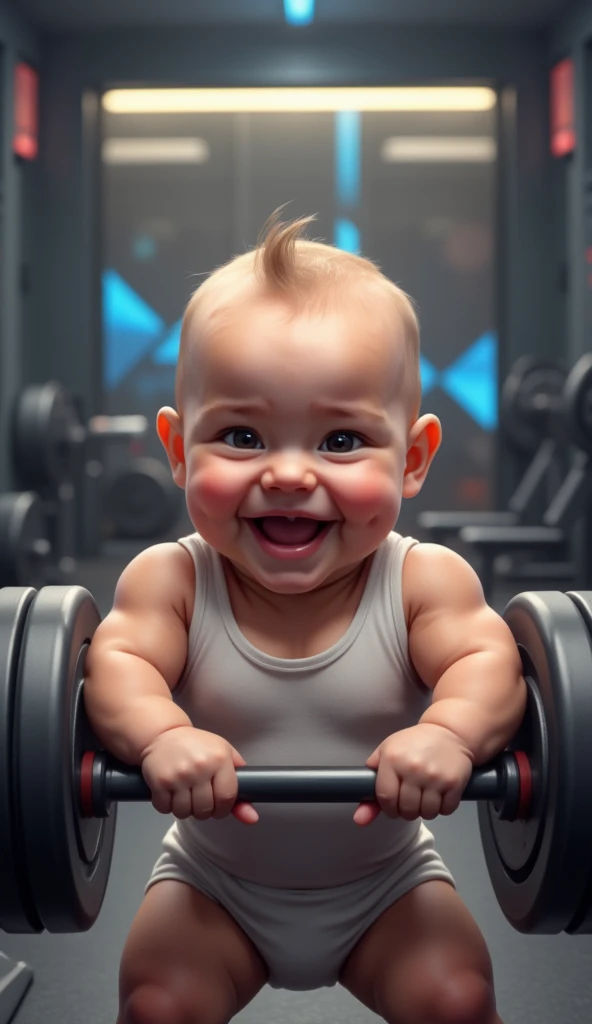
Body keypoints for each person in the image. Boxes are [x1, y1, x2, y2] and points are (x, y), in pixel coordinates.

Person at [84, 211, 526, 1024]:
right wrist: (162, 736)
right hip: (215, 886)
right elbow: (117, 663)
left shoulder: (421, 580)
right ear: (179, 451)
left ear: (414, 458)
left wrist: (450, 733)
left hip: (386, 887)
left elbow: (486, 661)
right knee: (157, 1004)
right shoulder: (173, 578)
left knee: (457, 999)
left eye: (342, 441)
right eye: (243, 435)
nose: (289, 474)